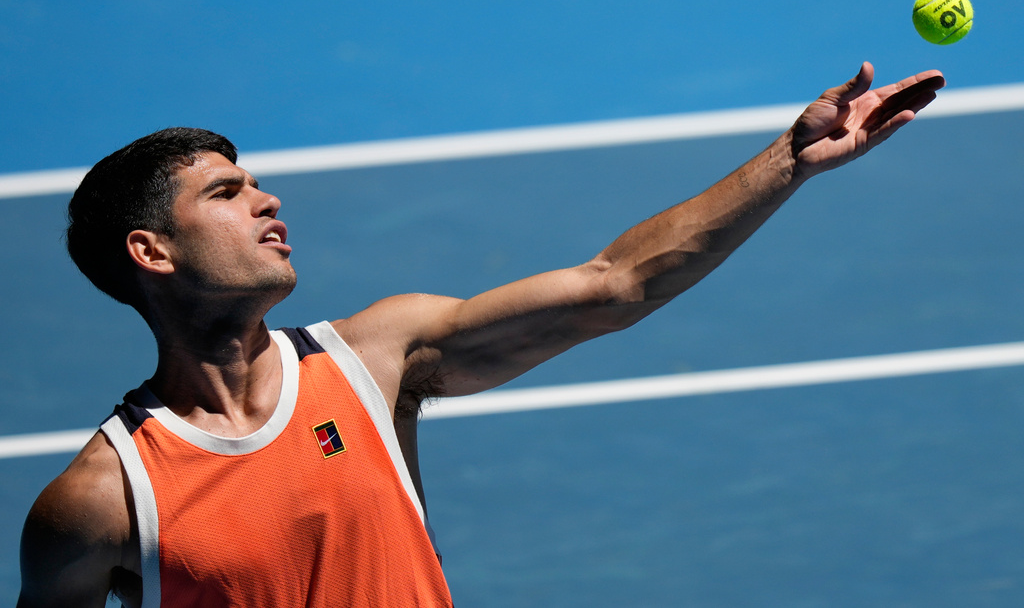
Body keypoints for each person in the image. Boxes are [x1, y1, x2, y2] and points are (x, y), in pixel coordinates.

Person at [17, 62, 945, 607]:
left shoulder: (376, 358)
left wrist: (789, 162)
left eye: (252, 180)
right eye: (225, 193)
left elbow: (613, 285)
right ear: (152, 250)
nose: (267, 199)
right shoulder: (101, 500)